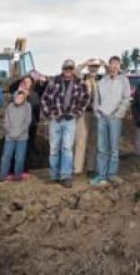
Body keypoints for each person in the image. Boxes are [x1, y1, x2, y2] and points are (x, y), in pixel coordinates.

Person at [41, 59, 91, 187]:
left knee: (67, 148)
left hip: (69, 120)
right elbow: (44, 99)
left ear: (73, 69)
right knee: (54, 148)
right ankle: (54, 175)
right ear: (62, 69)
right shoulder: (54, 81)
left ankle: (65, 176)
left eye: (70, 68)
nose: (68, 70)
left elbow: (86, 99)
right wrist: (49, 114)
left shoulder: (80, 83)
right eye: (66, 68)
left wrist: (76, 113)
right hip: (55, 120)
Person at [92, 56, 131, 186]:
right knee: (102, 148)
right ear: (109, 66)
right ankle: (101, 175)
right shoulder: (101, 82)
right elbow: (96, 100)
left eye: (117, 64)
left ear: (119, 66)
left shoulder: (123, 81)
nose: (114, 66)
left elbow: (126, 98)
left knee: (114, 148)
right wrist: (97, 113)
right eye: (112, 64)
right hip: (102, 118)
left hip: (115, 119)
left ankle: (112, 174)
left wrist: (119, 114)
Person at [74, 59, 102, 177]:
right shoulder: (83, 78)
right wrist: (85, 63)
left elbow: (115, 73)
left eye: (96, 66)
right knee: (80, 141)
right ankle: (77, 169)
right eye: (92, 66)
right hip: (84, 113)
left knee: (93, 142)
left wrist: (104, 64)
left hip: (97, 114)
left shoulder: (102, 79)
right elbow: (75, 71)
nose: (93, 68)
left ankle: (91, 168)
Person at [0, 88, 32, 182]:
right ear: (14, 97)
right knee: (6, 157)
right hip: (9, 136)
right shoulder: (10, 106)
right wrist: (10, 132)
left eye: (21, 98)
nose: (19, 99)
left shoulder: (27, 106)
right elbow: (6, 121)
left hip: (22, 137)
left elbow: (27, 121)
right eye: (18, 97)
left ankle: (17, 176)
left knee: (19, 158)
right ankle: (2, 176)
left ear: (24, 98)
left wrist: (18, 133)